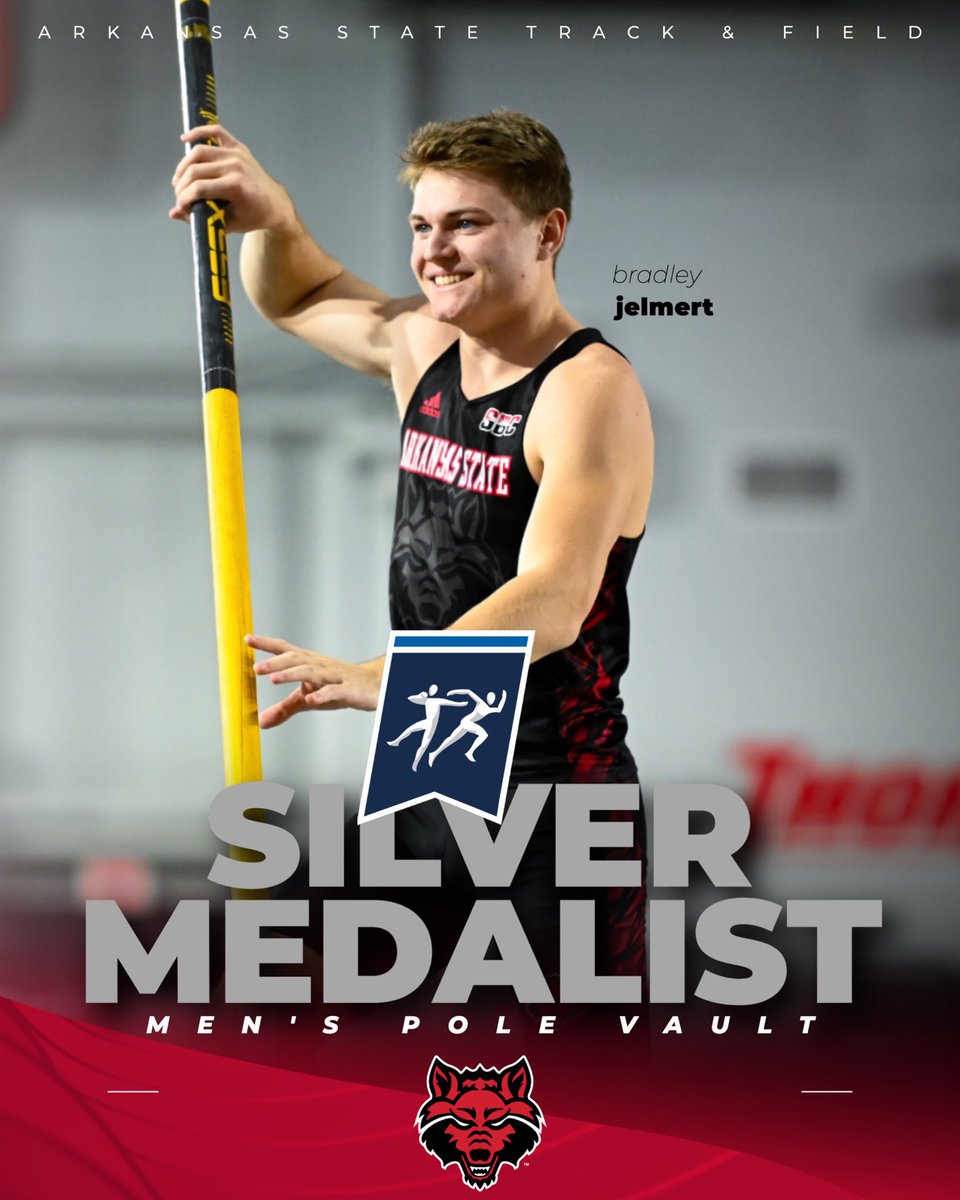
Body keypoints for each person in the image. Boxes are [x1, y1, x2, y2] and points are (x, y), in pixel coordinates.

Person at [170, 110, 653, 977]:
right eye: (422, 227)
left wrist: (380, 676)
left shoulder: (588, 389)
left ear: (547, 234)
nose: (436, 251)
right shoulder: (425, 346)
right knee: (393, 1046)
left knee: (571, 1090)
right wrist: (275, 219)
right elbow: (297, 295)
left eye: (467, 223)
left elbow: (556, 594)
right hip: (429, 754)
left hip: (550, 787)